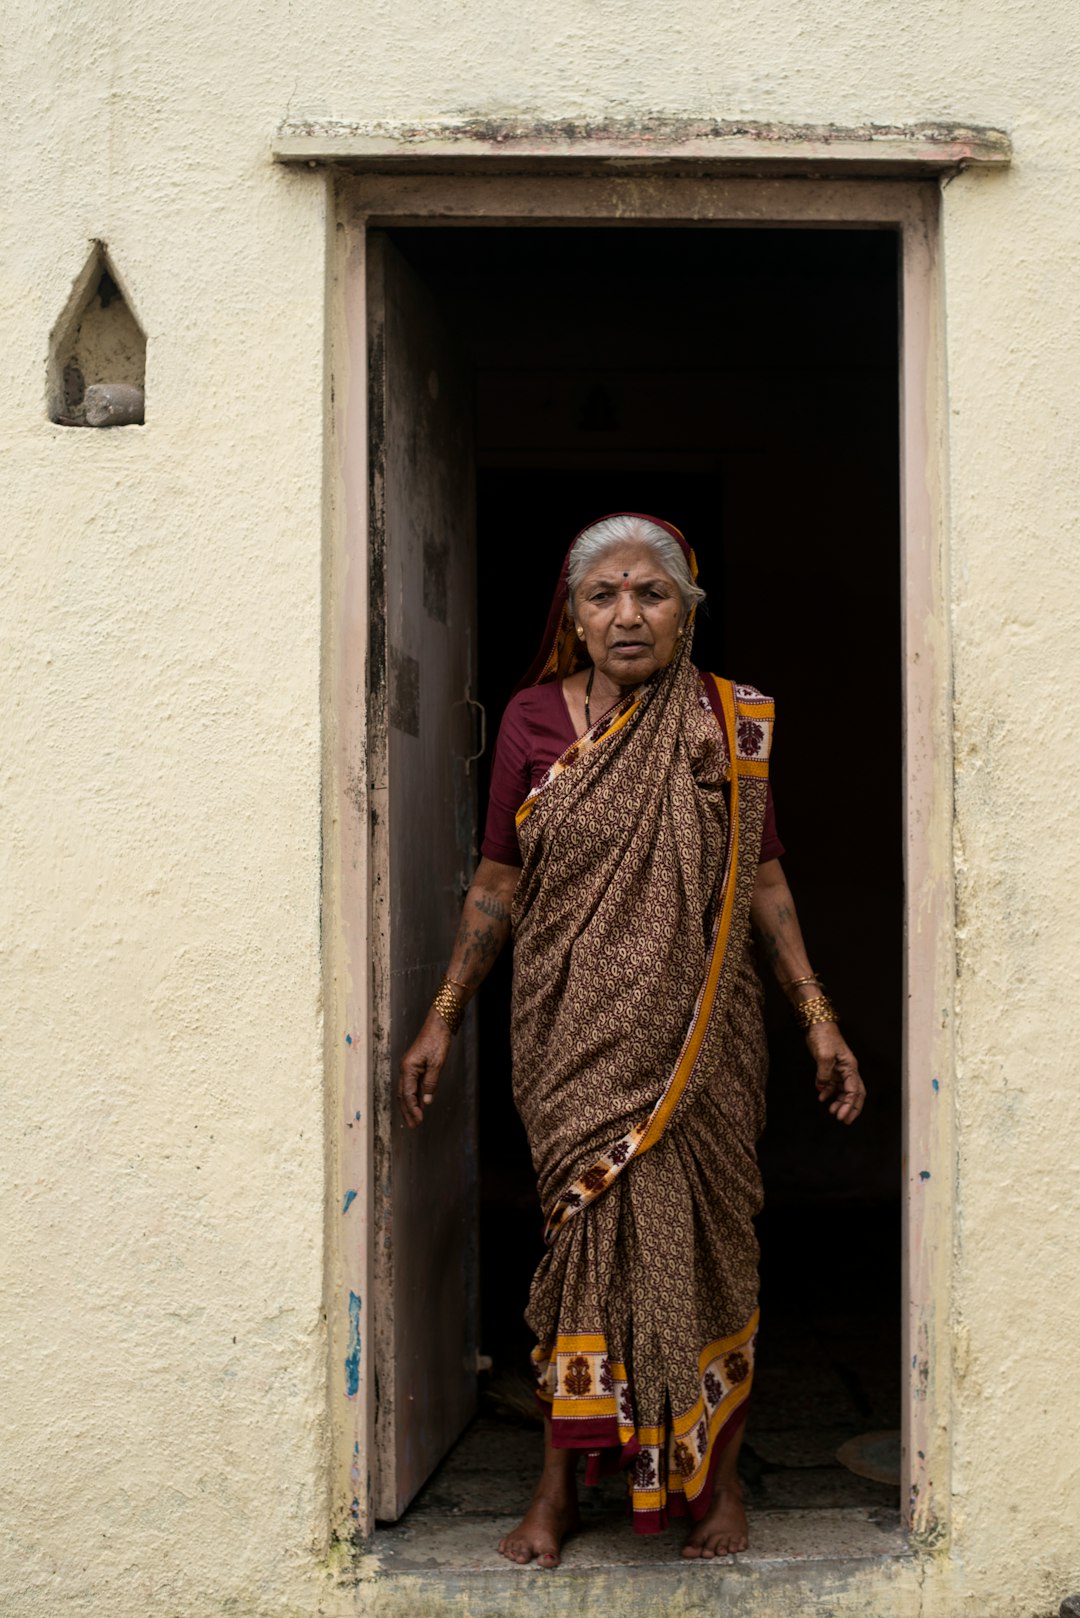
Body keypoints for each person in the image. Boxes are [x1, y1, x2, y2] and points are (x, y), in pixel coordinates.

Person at [398, 512, 866, 1567]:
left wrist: (818, 1016)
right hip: (571, 1042)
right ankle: (558, 1489)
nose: (626, 613)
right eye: (603, 594)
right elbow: (497, 884)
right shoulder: (529, 720)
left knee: (707, 1248)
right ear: (572, 612)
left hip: (703, 1046)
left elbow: (766, 878)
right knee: (580, 1252)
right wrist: (439, 1019)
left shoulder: (726, 720)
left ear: (687, 609)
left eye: (651, 593)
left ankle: (722, 1481)